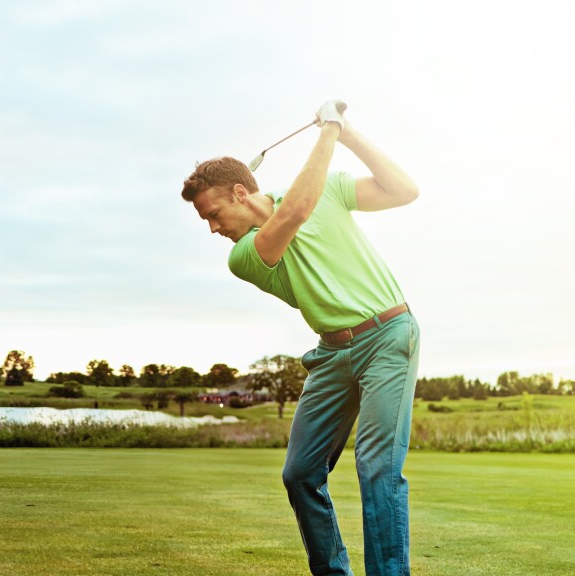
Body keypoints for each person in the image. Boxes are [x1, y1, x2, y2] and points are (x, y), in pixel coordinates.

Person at [180, 100, 421, 576]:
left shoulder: (327, 188)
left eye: (213, 213)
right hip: (332, 354)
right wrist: (329, 130)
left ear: (238, 191)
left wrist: (347, 133)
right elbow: (293, 213)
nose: (212, 228)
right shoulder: (244, 254)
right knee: (300, 474)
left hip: (388, 335)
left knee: (376, 468)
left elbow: (404, 190)